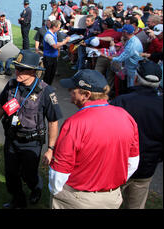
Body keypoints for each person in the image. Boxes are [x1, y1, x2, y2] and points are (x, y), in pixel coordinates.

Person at [48, 69, 140, 209]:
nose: (69, 92)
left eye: (73, 89)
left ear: (86, 94)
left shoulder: (75, 123)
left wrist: (57, 192)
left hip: (77, 198)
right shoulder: (126, 116)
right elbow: (133, 161)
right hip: (111, 198)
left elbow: (60, 170)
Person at [0, 50, 63, 209]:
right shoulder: (12, 84)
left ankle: (36, 187)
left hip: (31, 142)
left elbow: (53, 122)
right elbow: (1, 109)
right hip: (12, 139)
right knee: (11, 174)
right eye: (16, 68)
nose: (16, 72)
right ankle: (18, 201)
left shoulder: (46, 91)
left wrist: (51, 149)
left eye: (21, 69)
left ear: (33, 71)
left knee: (29, 174)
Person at [111, 60, 163, 209]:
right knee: (135, 205)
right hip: (146, 167)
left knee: (108, 202)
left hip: (119, 165)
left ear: (135, 78)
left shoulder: (122, 101)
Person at [108, 24, 143, 88]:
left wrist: (108, 57)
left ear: (125, 32)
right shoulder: (132, 40)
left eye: (122, 32)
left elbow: (120, 59)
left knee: (131, 87)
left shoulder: (132, 44)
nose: (121, 33)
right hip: (130, 68)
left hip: (133, 69)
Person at [42, 20, 70, 85]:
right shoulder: (48, 35)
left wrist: (59, 51)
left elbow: (56, 43)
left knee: (52, 74)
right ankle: (45, 88)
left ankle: (49, 86)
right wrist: (65, 41)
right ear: (54, 27)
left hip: (53, 56)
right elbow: (55, 46)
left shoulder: (54, 34)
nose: (59, 29)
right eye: (58, 27)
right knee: (47, 74)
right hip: (48, 57)